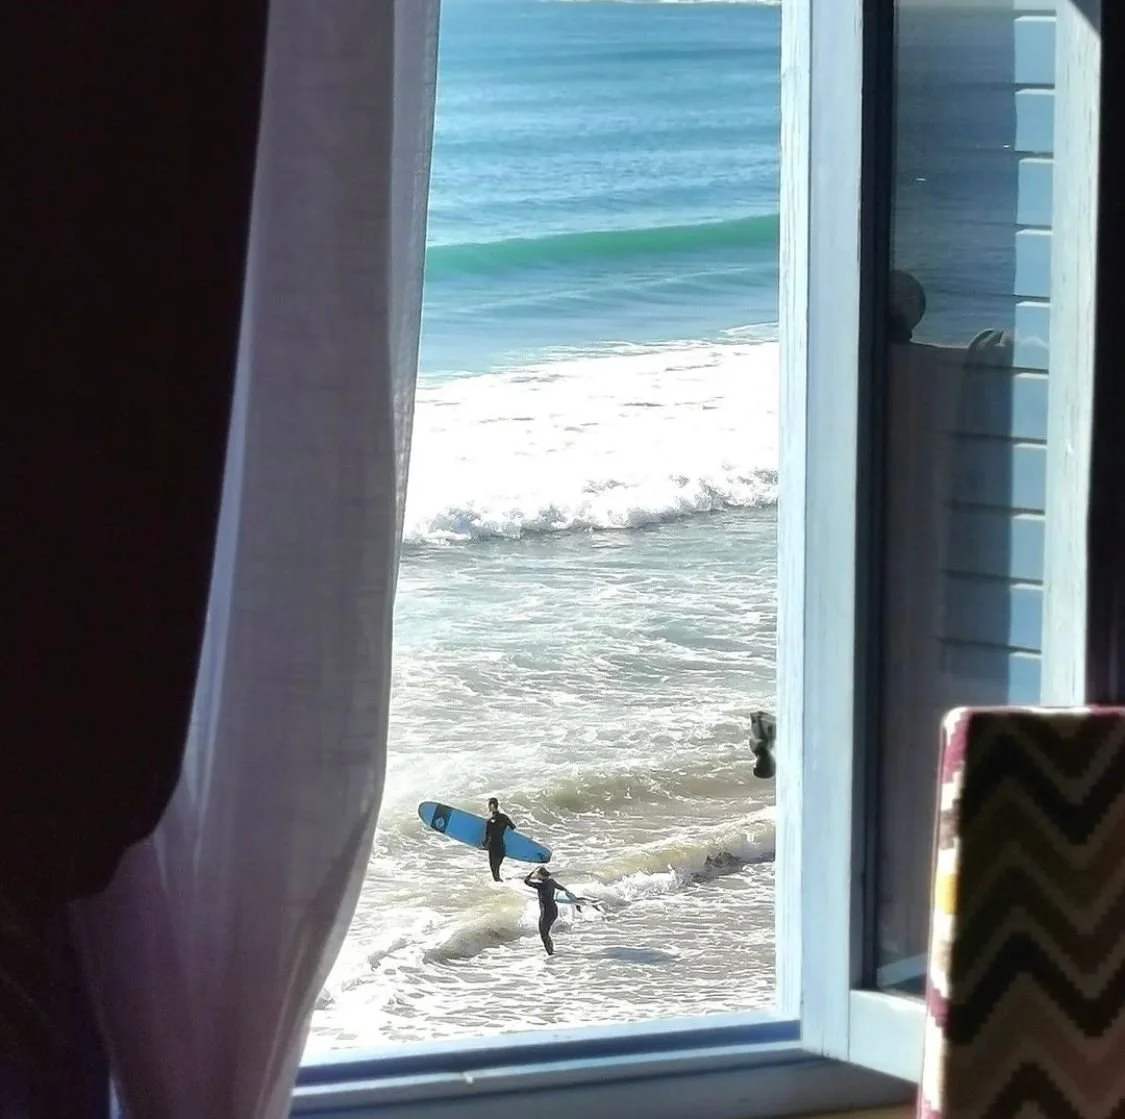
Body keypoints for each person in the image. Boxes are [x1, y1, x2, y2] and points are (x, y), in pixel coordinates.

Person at [523, 866, 581, 956]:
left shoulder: (542, 885)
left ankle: (550, 954)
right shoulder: (551, 882)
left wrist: (532, 873)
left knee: (544, 934)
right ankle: (551, 952)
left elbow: (526, 881)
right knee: (546, 933)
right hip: (553, 910)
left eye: (537, 874)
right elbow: (563, 889)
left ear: (540, 875)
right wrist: (574, 901)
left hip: (546, 912)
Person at [482, 797, 515, 881]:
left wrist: (484, 844)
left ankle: (500, 885)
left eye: (489, 805)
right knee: (496, 871)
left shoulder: (489, 822)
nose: (488, 807)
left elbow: (487, 837)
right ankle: (502, 885)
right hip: (501, 847)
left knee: (495, 872)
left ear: (492, 806)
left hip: (493, 848)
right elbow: (512, 827)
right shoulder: (504, 817)